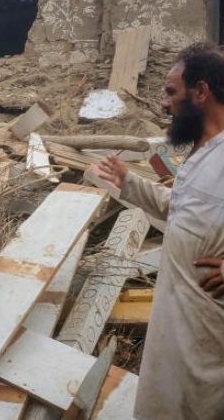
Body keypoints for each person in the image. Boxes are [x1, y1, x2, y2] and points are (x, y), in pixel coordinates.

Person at [92, 43, 224, 420]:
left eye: (170, 92)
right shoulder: (202, 152)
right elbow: (182, 209)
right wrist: (129, 183)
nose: (164, 104)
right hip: (176, 326)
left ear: (201, 92)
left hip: (209, 337)